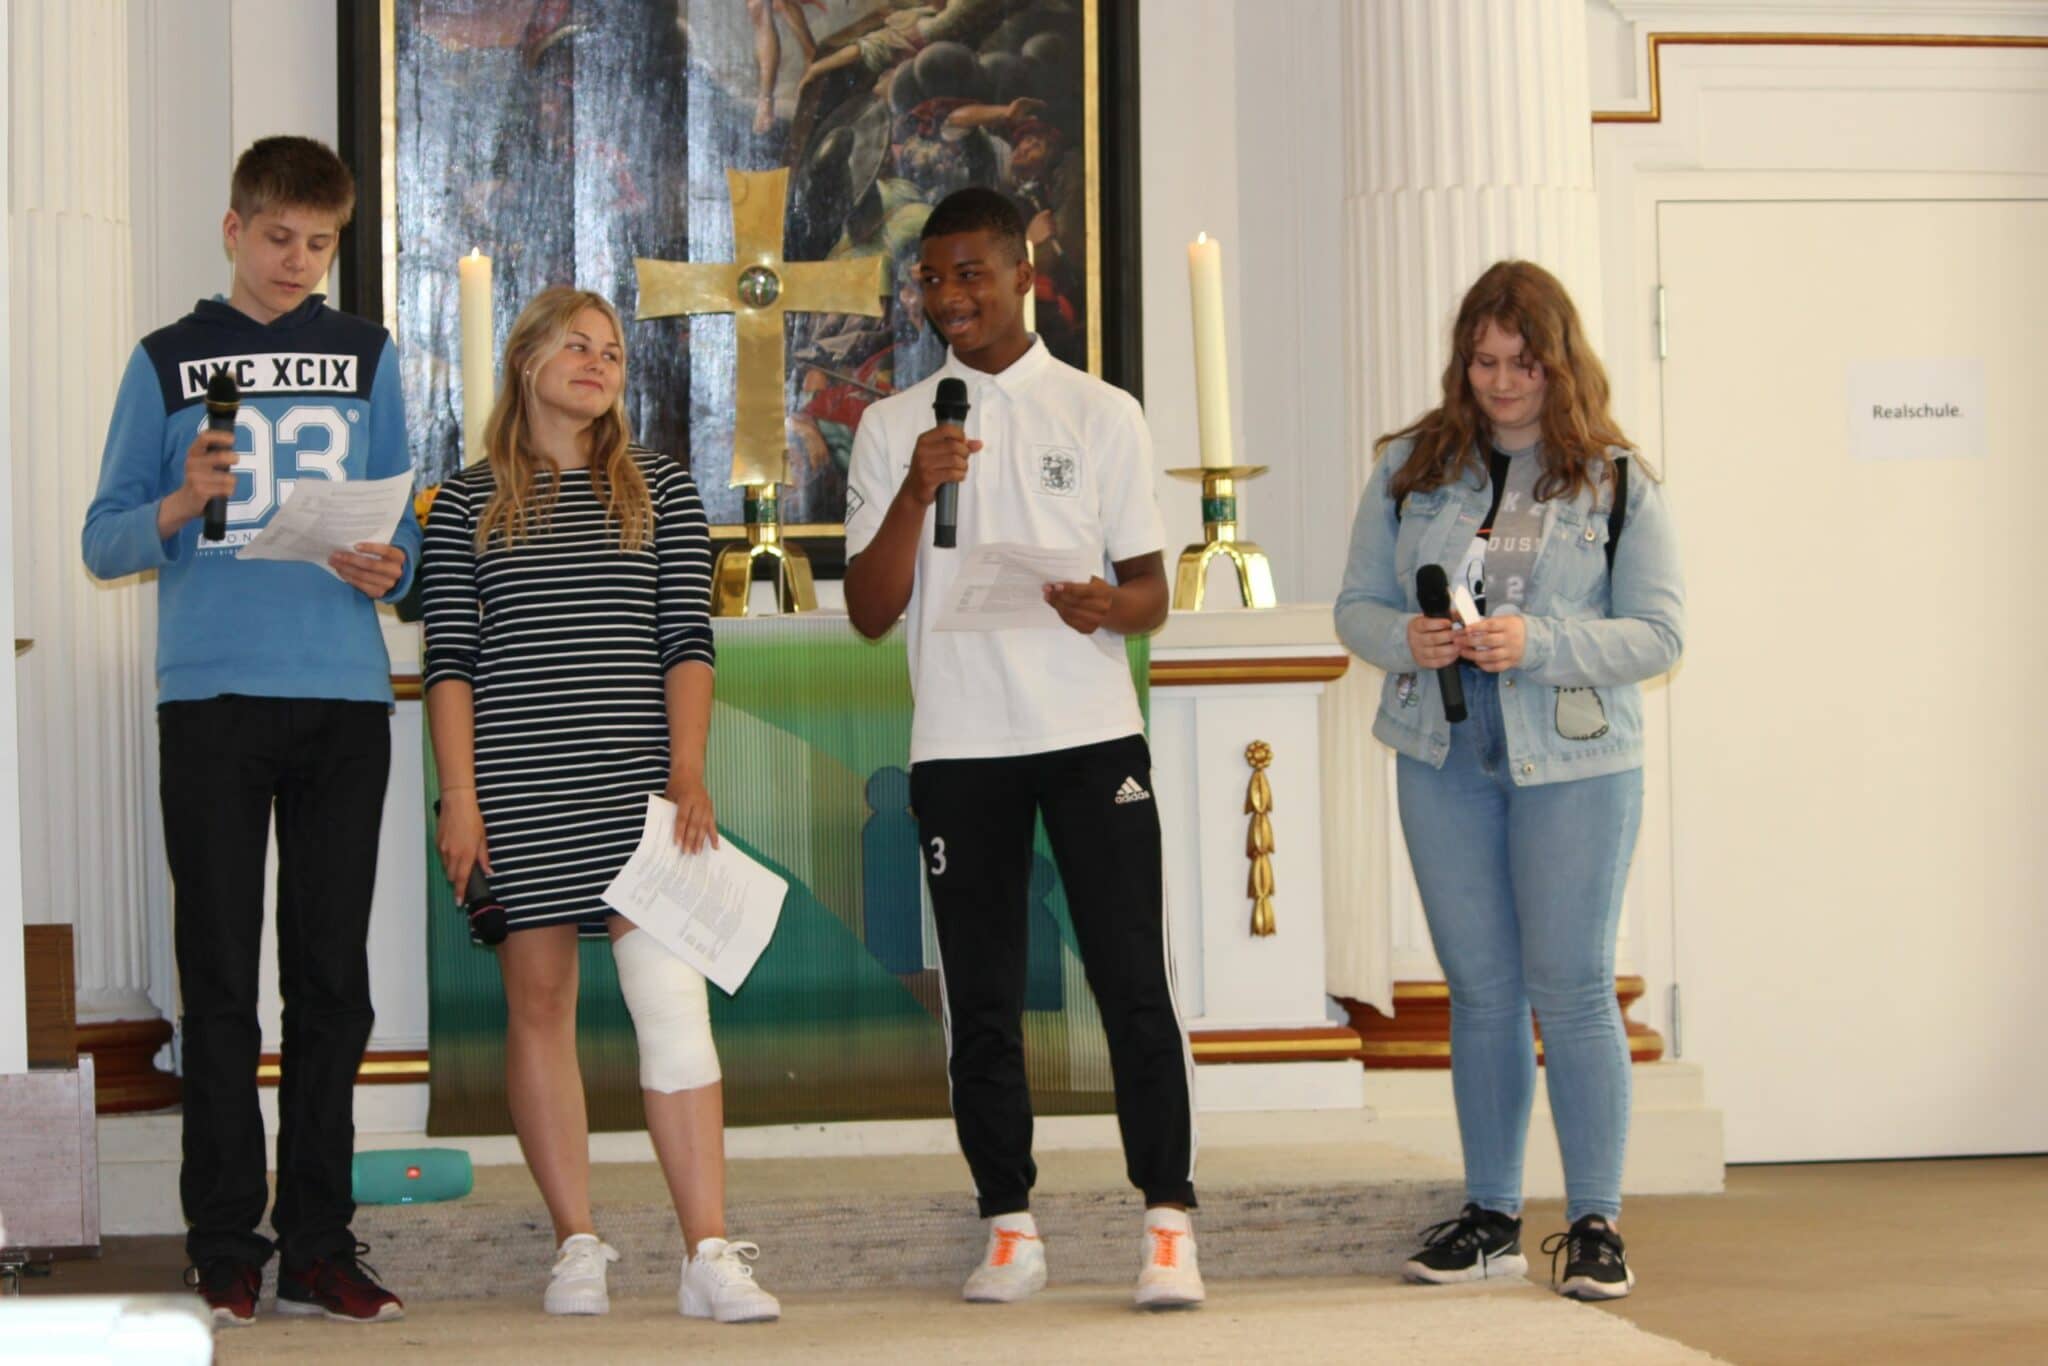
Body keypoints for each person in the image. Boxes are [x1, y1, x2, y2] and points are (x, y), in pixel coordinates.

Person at [843, 188, 1203, 1310]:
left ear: (1022, 276)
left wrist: (1108, 605)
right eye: (932, 279)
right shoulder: (894, 426)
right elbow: (868, 609)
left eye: (971, 274)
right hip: (960, 745)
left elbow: (1149, 591)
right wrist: (917, 489)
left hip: (1089, 735)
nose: (949, 297)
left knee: (1130, 981)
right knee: (981, 996)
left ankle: (1167, 1222)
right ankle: (1008, 1223)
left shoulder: (1100, 412)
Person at [80, 135, 418, 1327]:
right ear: (233, 229)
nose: (297, 261)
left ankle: (319, 1241)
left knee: (332, 982)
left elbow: (403, 527)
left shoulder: (369, 354)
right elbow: (104, 537)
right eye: (278, 237)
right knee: (219, 979)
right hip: (213, 696)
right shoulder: (166, 360)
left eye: (319, 243)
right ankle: (224, 1238)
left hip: (342, 698)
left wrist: (389, 562)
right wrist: (182, 501)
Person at [420, 287, 780, 1325]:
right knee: (539, 1009)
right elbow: (450, 663)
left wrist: (688, 772)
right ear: (525, 360)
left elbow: (687, 643)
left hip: (639, 788)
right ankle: (576, 1242)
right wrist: (460, 800)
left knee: (671, 1003)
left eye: (613, 352)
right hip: (519, 787)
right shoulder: (464, 503)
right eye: (576, 345)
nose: (598, 363)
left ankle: (706, 1252)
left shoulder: (659, 487)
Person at [1335, 260, 1685, 1300]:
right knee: (1480, 992)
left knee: (1572, 987)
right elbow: (1355, 607)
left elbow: (1659, 635)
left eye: (1522, 364)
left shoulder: (1616, 478)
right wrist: (1405, 636)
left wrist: (1540, 641)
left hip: (1575, 762)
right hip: (1441, 754)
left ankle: (1594, 1223)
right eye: (1483, 363)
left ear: (1559, 362)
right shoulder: (1408, 466)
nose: (1500, 384)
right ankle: (1489, 1215)